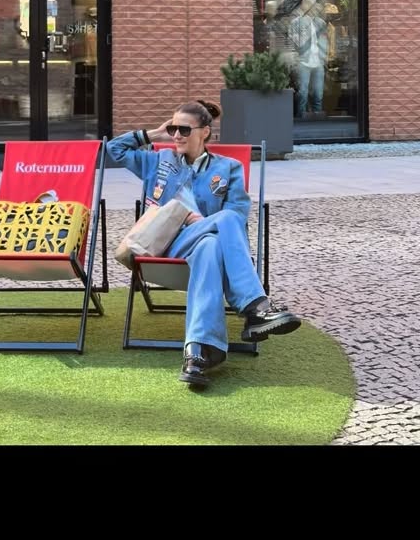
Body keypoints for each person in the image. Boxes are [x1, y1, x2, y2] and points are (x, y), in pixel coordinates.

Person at [107, 99, 301, 389]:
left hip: (204, 247)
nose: (176, 135)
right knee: (224, 221)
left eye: (184, 130)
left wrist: (204, 224)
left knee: (211, 244)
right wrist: (152, 134)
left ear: (205, 132)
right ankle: (255, 306)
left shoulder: (228, 168)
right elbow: (113, 150)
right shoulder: (156, 161)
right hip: (164, 246)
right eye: (173, 129)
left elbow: (238, 214)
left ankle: (199, 351)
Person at [289, 0, 329, 117]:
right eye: (309, 4)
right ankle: (301, 119)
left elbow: (325, 41)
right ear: (303, 5)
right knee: (302, 93)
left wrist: (324, 56)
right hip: (303, 61)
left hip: (318, 62)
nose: (313, 7)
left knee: (318, 93)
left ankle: (317, 119)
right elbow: (295, 41)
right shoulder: (296, 23)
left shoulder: (321, 23)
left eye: (314, 5)